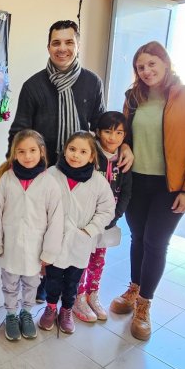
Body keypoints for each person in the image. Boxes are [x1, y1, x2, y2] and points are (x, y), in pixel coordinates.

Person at [109, 41, 185, 341]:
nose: (146, 71)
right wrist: (126, 144)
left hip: (170, 186)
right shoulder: (133, 97)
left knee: (156, 242)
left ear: (165, 63)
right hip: (136, 181)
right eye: (140, 66)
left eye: (152, 64)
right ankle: (133, 289)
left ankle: (144, 304)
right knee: (138, 237)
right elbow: (123, 134)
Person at [8, 20, 133, 169]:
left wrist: (123, 145)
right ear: (48, 48)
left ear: (78, 47)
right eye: (56, 43)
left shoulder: (93, 82)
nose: (62, 48)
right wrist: (13, 167)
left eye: (69, 42)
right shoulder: (33, 86)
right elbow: (19, 132)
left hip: (82, 167)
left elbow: (102, 127)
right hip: (41, 168)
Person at [0, 129, 64, 341]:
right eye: (21, 151)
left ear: (41, 151)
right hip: (10, 245)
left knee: (31, 284)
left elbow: (56, 220)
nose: (27, 156)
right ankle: (11, 314)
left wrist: (50, 251)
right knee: (9, 283)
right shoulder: (7, 180)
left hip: (35, 248)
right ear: (14, 154)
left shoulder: (49, 183)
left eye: (32, 150)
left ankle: (26, 313)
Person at [40, 132, 115, 334]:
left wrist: (89, 230)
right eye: (72, 149)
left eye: (83, 151)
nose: (76, 155)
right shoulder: (51, 174)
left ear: (91, 157)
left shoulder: (98, 182)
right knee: (53, 279)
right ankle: (50, 308)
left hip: (80, 241)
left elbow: (107, 209)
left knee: (73, 281)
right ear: (65, 150)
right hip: (54, 239)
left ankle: (66, 310)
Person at [72, 112, 133, 323]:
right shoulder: (89, 154)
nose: (112, 138)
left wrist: (115, 216)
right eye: (107, 131)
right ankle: (77, 297)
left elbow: (126, 191)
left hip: (108, 222)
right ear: (97, 132)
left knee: (98, 259)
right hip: (86, 221)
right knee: (81, 258)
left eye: (118, 133)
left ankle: (92, 294)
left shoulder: (123, 160)